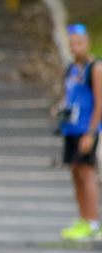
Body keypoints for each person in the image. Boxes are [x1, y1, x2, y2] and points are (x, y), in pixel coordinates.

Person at [57, 24, 102, 241]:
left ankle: (93, 222)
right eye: (71, 43)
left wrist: (91, 132)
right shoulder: (71, 68)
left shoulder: (95, 68)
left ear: (87, 43)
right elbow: (70, 95)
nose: (74, 47)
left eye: (78, 43)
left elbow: (100, 102)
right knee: (75, 171)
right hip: (71, 129)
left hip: (86, 129)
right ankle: (83, 219)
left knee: (86, 173)